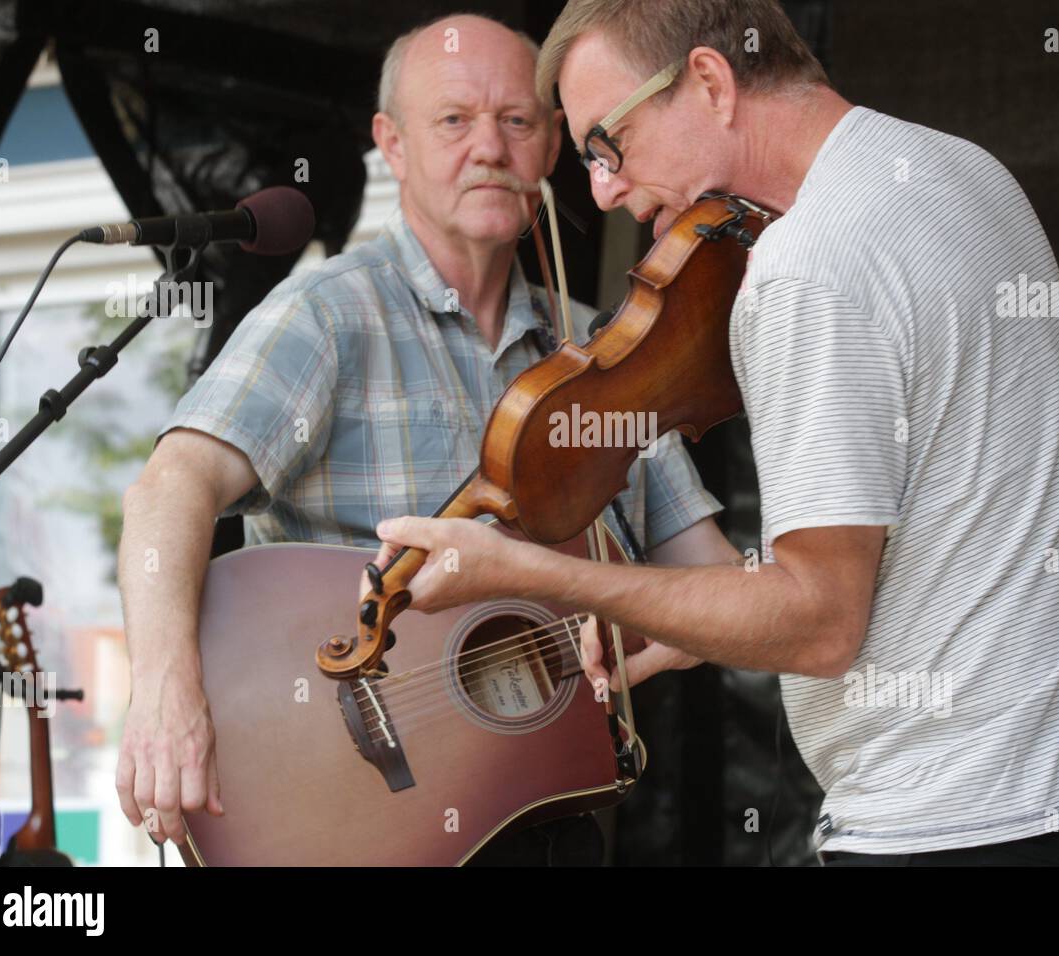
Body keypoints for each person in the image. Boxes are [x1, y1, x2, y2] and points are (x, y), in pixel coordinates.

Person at [370, 0, 1059, 866]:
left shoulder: (805, 265)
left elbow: (820, 621)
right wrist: (692, 625)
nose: (600, 188)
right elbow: (941, 537)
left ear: (710, 82)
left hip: (955, 832)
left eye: (608, 144)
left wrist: (531, 570)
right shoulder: (957, 167)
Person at [114, 12, 736, 863]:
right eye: (453, 120)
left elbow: (716, 583)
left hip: (535, 817)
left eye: (517, 121)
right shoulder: (327, 313)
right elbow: (168, 487)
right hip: (353, 818)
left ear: (554, 144)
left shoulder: (608, 352)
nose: (490, 147)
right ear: (391, 143)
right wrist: (162, 688)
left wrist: (660, 642)